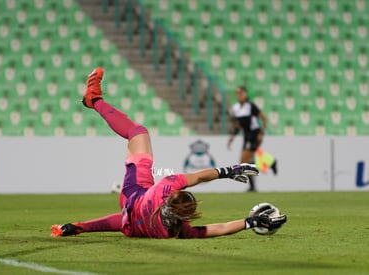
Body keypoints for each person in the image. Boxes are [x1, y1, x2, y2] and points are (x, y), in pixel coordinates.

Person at [51, 68, 286, 239]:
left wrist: (228, 171)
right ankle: (94, 100)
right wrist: (250, 222)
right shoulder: (172, 231)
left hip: (137, 191)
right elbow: (217, 229)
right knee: (126, 218)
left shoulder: (165, 186)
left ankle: (95, 100)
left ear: (172, 197)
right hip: (130, 214)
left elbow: (199, 178)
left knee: (138, 132)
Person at [227, 86, 277, 192]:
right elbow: (238, 125)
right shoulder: (236, 108)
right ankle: (270, 163)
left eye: (241, 93)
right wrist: (232, 138)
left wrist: (261, 133)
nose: (239, 95)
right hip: (246, 136)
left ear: (245, 94)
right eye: (237, 93)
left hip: (254, 135)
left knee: (243, 162)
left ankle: (252, 186)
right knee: (247, 162)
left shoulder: (250, 106)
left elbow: (264, 118)